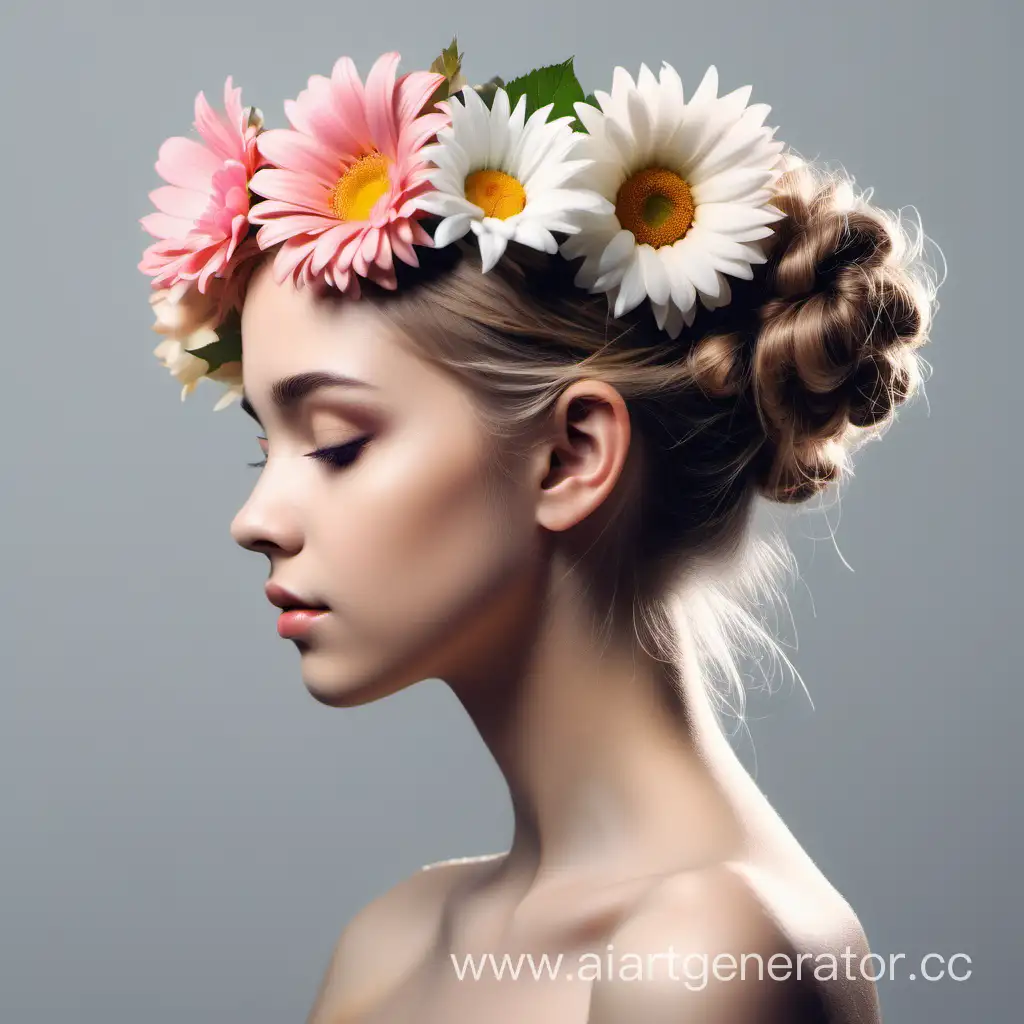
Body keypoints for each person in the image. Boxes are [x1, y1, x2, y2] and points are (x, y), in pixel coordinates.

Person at [139, 46, 939, 1024]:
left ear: (569, 456)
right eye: (264, 447)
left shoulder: (706, 954)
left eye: (338, 445)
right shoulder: (394, 939)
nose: (254, 520)